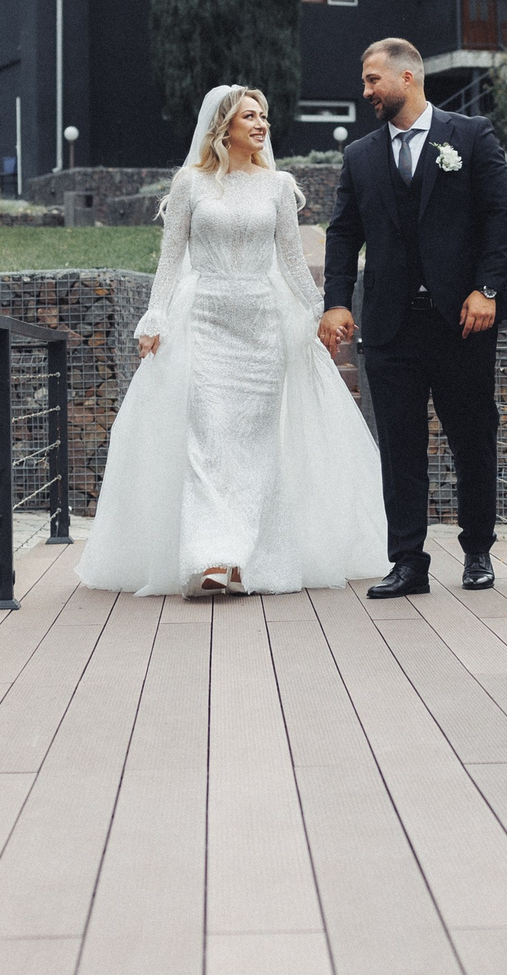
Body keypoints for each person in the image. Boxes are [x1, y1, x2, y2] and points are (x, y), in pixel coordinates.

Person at [78, 84, 387, 597]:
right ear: (225, 127)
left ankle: (247, 554)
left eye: (263, 115)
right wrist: (154, 318)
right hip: (204, 325)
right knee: (208, 441)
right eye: (250, 116)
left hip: (261, 330)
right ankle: (214, 558)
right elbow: (170, 259)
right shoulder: (190, 185)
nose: (262, 124)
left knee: (255, 445)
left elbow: (291, 260)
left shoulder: (278, 186)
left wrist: (319, 314)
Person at [320, 38, 507, 597]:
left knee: (472, 436)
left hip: (462, 320)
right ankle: (408, 561)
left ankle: (477, 550)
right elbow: (343, 234)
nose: (366, 92)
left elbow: (500, 215)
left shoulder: (471, 136)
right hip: (389, 325)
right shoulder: (359, 156)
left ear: (407, 78)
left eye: (372, 80)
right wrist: (337, 300)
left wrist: (487, 289)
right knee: (400, 447)